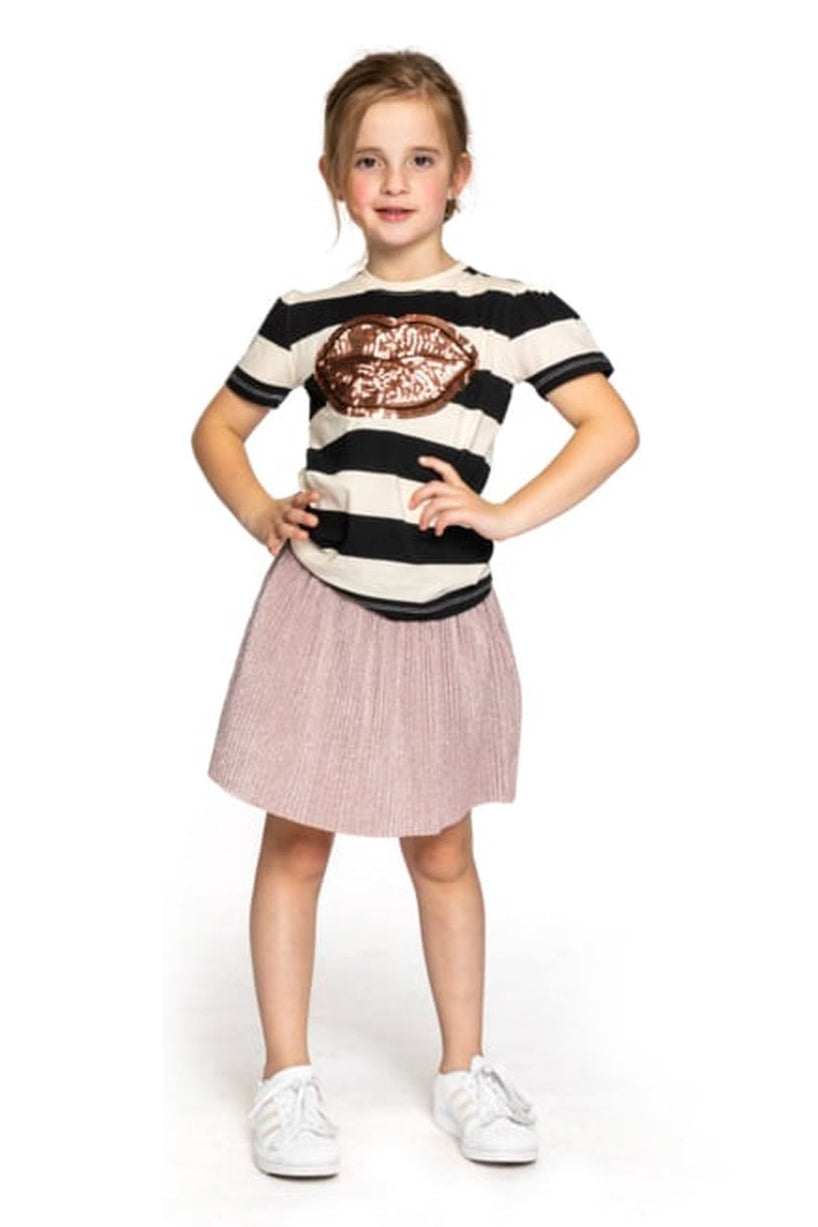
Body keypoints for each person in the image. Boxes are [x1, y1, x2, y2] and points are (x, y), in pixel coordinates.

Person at [190, 48, 639, 1180]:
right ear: (333, 176)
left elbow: (610, 426)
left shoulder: (513, 310)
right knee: (297, 839)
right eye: (369, 160)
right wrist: (258, 510)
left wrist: (504, 514)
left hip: (445, 615)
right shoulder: (305, 314)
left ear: (460, 174)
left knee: (441, 847)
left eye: (421, 159)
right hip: (319, 608)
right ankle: (286, 1079)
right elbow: (217, 429)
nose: (395, 181)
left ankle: (462, 1069)